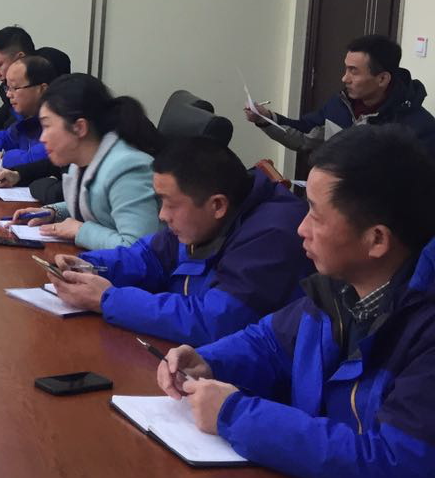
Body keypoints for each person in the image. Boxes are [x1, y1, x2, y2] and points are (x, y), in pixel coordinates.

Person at [156, 126, 435, 478]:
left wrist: (234, 414)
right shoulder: (340, 287)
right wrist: (208, 361)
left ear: (376, 239)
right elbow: (269, 342)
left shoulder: (425, 331)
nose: (300, 228)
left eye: (316, 216)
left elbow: (395, 467)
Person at [50, 137, 311, 342]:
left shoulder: (273, 235)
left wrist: (109, 300)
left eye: (170, 204)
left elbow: (215, 321)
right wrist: (90, 266)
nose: (162, 216)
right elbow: (150, 257)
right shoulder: (202, 219)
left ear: (217, 205)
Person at [12, 73, 161, 249]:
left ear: (79, 128)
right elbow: (96, 206)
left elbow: (139, 248)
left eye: (47, 126)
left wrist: (80, 230)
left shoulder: (127, 168)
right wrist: (53, 212)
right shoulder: (81, 162)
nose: (42, 138)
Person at [248, 34, 435, 154]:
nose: (345, 78)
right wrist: (266, 119)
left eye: (354, 71)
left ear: (382, 79)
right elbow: (305, 135)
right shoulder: (340, 104)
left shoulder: (419, 127)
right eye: (346, 69)